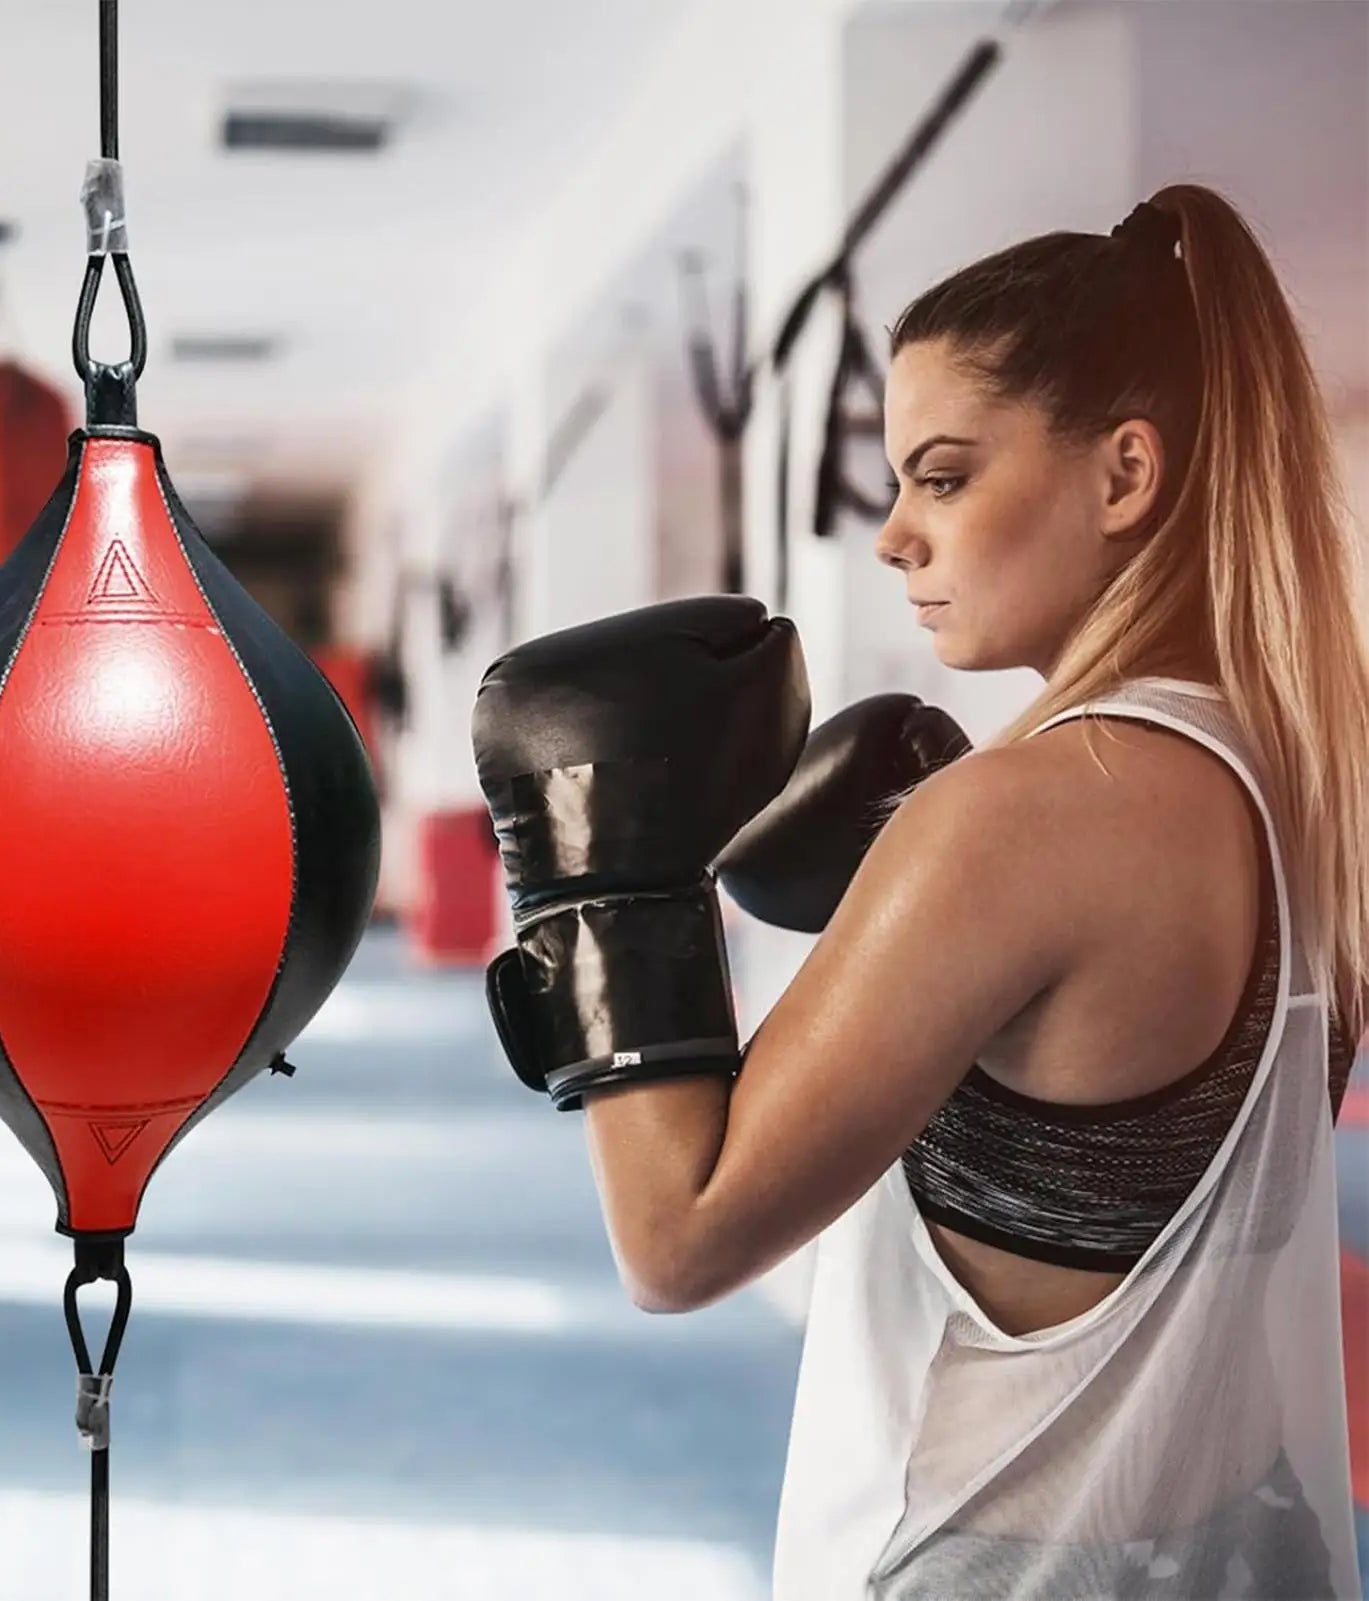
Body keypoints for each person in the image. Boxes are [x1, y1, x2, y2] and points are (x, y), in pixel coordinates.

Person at [472, 182, 1366, 1598]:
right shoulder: (1308, 785)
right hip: (1246, 1546)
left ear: (1123, 475)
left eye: (941, 475)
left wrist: (609, 875)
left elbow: (675, 1237)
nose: (893, 534)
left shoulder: (1011, 821)